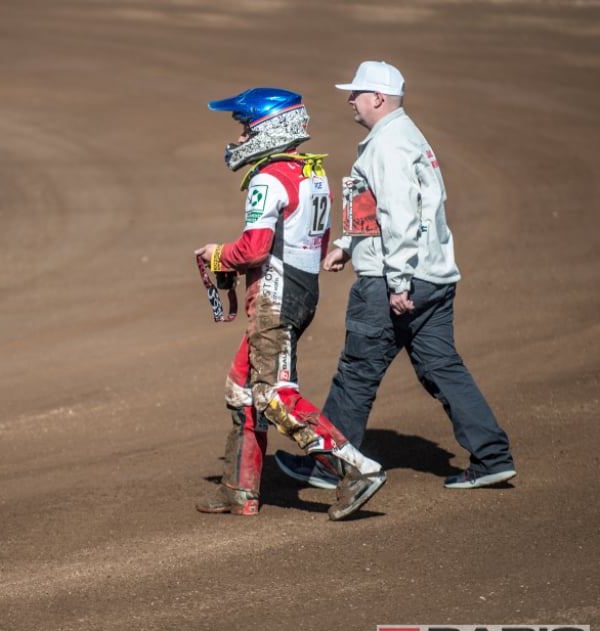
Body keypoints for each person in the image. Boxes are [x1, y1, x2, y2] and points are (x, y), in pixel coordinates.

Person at [275, 61, 517, 490]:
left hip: (394, 279)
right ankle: (492, 456)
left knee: (356, 372)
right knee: (443, 367)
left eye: (356, 93)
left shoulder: (387, 146)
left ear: (378, 98)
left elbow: (400, 216)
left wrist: (399, 283)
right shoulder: (407, 137)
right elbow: (395, 209)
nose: (350, 100)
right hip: (434, 278)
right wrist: (349, 245)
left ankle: (331, 466)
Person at [194, 87, 386, 520]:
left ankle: (358, 470)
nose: (240, 138)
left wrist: (216, 255)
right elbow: (315, 246)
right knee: (242, 389)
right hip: (302, 292)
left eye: (246, 129)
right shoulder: (311, 173)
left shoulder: (267, 179)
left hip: (275, 300)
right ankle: (239, 491)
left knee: (273, 395)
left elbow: (255, 249)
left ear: (268, 129)